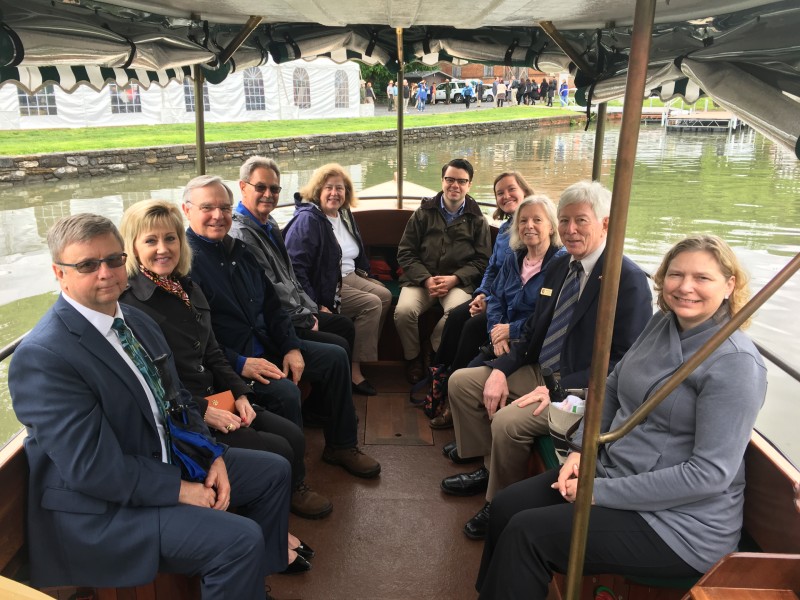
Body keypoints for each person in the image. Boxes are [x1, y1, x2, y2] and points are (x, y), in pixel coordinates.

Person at [9, 213, 292, 599]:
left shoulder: (138, 323)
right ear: (60, 274)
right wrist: (179, 489)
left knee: (274, 472)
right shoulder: (45, 356)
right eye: (88, 265)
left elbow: (177, 400)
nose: (106, 272)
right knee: (239, 540)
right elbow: (92, 469)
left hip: (160, 463)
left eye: (113, 259)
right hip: (103, 512)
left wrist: (213, 456)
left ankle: (253, 583)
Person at [476, 235, 767, 599]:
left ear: (729, 285)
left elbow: (708, 475)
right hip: (614, 470)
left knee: (527, 534)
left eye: (702, 278)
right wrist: (583, 450)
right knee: (507, 506)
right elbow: (612, 385)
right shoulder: (663, 323)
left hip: (678, 524)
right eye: (676, 275)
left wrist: (599, 492)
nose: (686, 287)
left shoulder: (735, 364)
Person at [441, 180, 652, 541]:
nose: (571, 230)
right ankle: (487, 466)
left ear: (605, 224)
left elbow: (624, 362)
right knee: (461, 382)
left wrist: (560, 391)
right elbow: (536, 332)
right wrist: (499, 370)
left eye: (581, 221)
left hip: (581, 389)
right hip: (542, 369)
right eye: (566, 220)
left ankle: (498, 501)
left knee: (507, 422)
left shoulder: (626, 280)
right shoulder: (560, 267)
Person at [119, 199, 332, 521]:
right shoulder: (131, 305)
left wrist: (240, 394)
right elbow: (150, 382)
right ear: (133, 248)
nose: (163, 248)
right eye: (150, 240)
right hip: (185, 413)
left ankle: (280, 499)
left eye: (170, 238)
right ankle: (262, 521)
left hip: (216, 396)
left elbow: (212, 351)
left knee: (292, 434)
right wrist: (205, 411)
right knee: (278, 448)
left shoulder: (185, 286)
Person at [182, 175, 382, 479]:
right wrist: (240, 362)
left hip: (268, 345)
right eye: (207, 208)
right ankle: (295, 481)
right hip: (234, 362)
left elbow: (272, 307)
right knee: (287, 393)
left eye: (224, 208)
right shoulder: (185, 265)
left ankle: (341, 445)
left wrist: (290, 346)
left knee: (335, 357)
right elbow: (196, 340)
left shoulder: (237, 251)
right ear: (187, 210)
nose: (219, 216)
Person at [229, 156, 357, 391]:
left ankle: (330, 397)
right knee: (338, 345)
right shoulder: (241, 235)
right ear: (243, 187)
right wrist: (307, 317)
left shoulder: (268, 225)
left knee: (343, 326)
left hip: (294, 311)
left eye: (274, 189)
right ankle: (326, 403)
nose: (268, 194)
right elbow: (271, 291)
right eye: (261, 187)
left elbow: (290, 278)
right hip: (276, 323)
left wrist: (311, 308)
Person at [429, 171, 534, 429]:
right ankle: (439, 379)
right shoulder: (506, 228)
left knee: (471, 327)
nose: (506, 196)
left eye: (511, 190)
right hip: (493, 297)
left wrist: (491, 301)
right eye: (500, 193)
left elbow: (517, 283)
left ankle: (454, 394)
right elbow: (492, 268)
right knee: (455, 317)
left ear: (524, 191)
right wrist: (481, 294)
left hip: (508, 307)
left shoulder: (530, 231)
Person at [283, 164, 392, 397]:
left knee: (384, 295)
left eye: (340, 188)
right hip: (326, 285)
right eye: (329, 188)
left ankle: (358, 350)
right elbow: (296, 269)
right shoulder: (308, 221)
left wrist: (369, 276)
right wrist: (314, 303)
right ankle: (354, 369)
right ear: (317, 190)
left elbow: (357, 252)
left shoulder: (343, 214)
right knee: (371, 303)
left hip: (349, 275)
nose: (335, 193)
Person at [394, 158, 492, 383]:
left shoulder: (477, 219)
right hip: (421, 280)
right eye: (450, 179)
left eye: (461, 181)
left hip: (457, 283)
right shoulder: (423, 212)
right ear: (442, 180)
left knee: (459, 312)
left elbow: (482, 260)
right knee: (404, 312)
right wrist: (426, 279)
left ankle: (433, 347)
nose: (454, 185)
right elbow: (406, 251)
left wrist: (455, 278)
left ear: (469, 185)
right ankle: (414, 358)